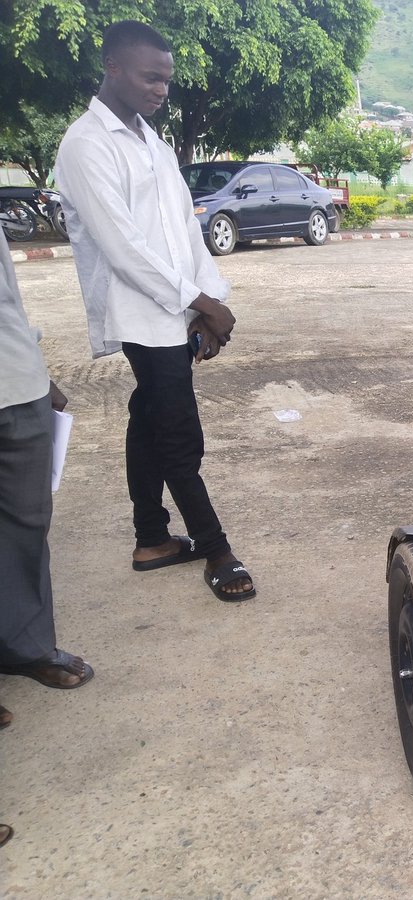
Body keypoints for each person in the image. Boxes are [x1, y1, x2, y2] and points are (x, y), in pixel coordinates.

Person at [55, 20, 255, 601]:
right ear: (113, 67)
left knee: (149, 415)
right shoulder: (86, 145)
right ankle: (215, 548)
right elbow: (122, 249)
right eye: (150, 77)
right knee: (176, 433)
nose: (160, 90)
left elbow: (185, 232)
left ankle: (151, 538)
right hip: (138, 312)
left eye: (166, 80)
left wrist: (207, 302)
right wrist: (198, 302)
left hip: (176, 311)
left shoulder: (154, 142)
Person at [0, 232, 95, 725]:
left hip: (15, 382)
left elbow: (6, 297)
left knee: (26, 525)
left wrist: (37, 369)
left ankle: (24, 647)